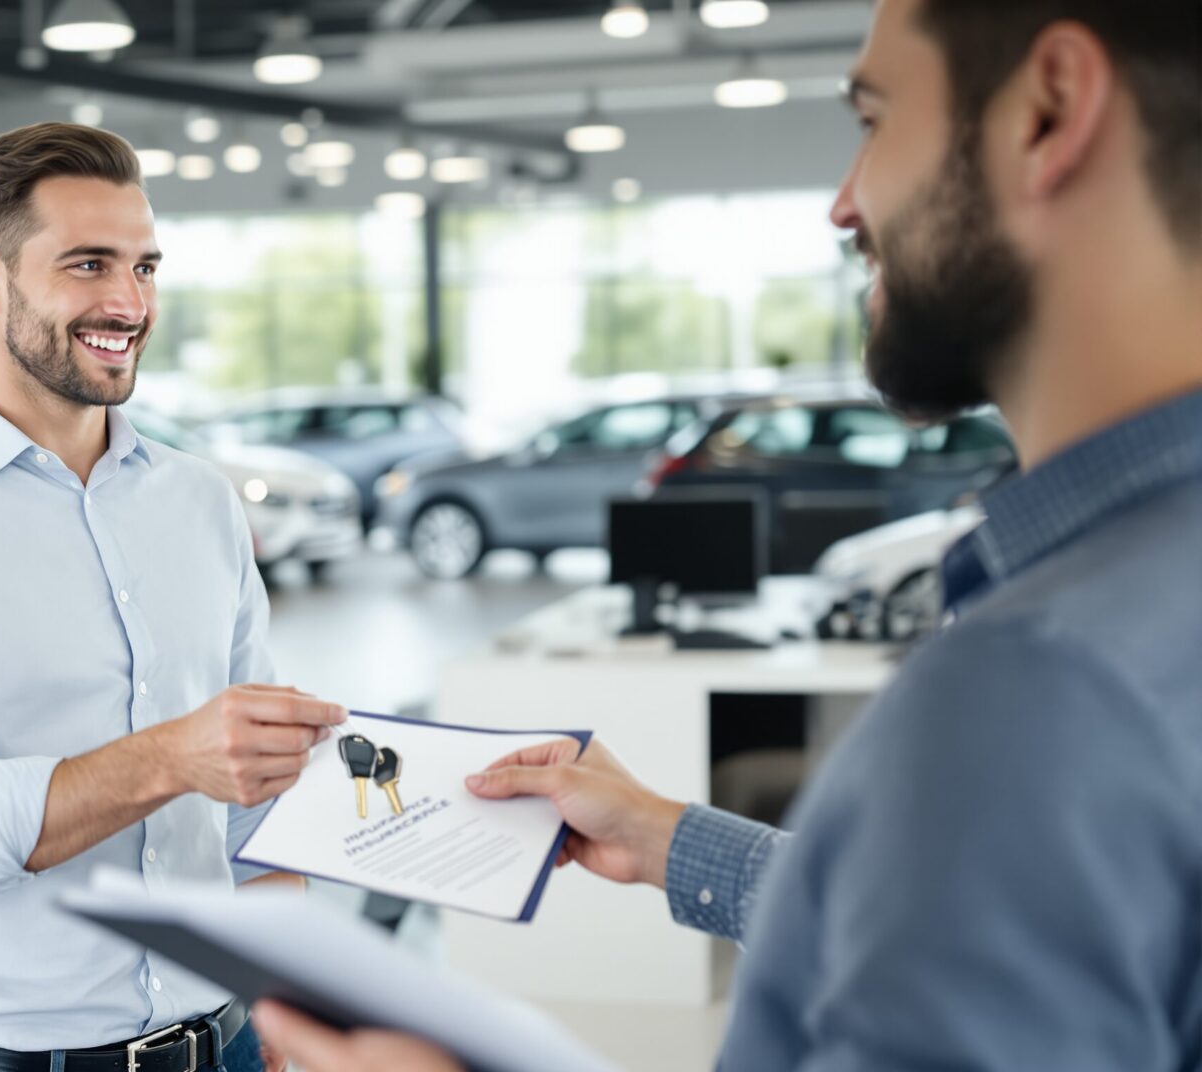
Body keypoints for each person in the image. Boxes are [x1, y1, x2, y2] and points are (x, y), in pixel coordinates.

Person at [255, 0, 1202, 1067]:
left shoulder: (1042, 686)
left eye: (874, 121)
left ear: (1048, 111)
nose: (844, 205)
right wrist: (669, 838)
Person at [0, 122, 345, 1072]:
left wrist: (287, 1009)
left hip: (228, 1044)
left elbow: (255, 804)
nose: (128, 302)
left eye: (145, 267)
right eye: (89, 265)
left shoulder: (200, 501)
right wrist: (169, 758)